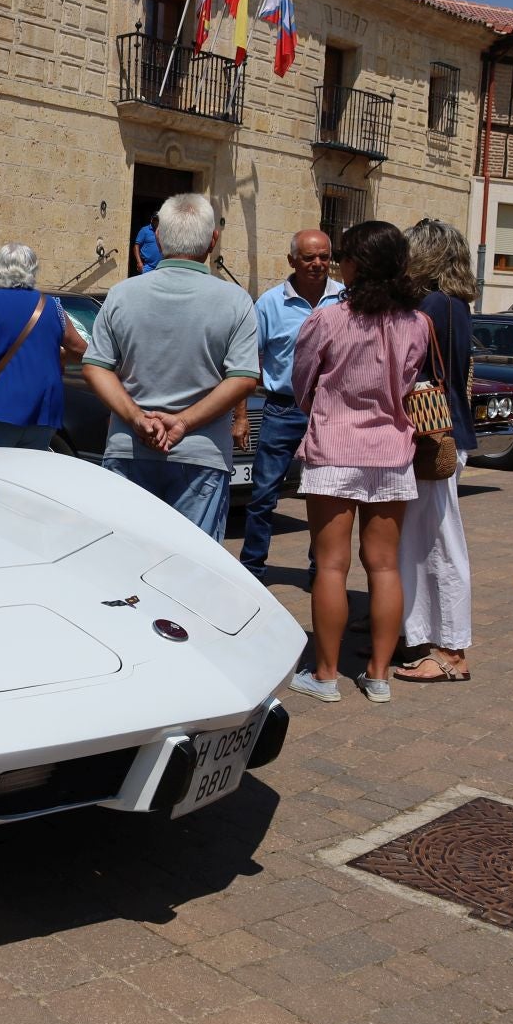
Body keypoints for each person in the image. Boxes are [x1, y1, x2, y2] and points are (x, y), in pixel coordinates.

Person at [288, 221, 429, 705]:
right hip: (391, 450)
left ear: (355, 264)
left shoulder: (327, 319)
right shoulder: (417, 323)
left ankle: (326, 675)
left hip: (333, 446)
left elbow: (301, 381)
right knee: (384, 566)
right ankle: (379, 675)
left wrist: (326, 406)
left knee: (330, 565)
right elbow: (409, 383)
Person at [83, 193, 258, 540]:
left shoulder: (121, 294)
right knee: (191, 567)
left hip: (129, 447)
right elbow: (243, 378)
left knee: (123, 558)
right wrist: (182, 422)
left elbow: (95, 367)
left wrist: (135, 417)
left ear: (158, 237)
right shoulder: (236, 301)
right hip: (201, 455)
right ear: (213, 239)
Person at [395, 219, 479, 683]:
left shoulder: (433, 305)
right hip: (448, 432)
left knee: (438, 545)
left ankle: (449, 650)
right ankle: (424, 636)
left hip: (434, 435)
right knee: (426, 542)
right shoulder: (454, 304)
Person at [238, 229, 344, 581]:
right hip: (282, 410)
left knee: (324, 496)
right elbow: (247, 359)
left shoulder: (346, 300)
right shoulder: (269, 304)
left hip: (330, 413)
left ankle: (321, 570)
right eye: (309, 258)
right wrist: (240, 414)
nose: (318, 264)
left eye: (324, 257)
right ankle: (252, 569)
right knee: (264, 494)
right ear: (291, 261)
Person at [0, 243, 88, 449]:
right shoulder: (52, 306)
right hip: (43, 411)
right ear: (32, 269)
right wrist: (61, 356)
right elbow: (82, 351)